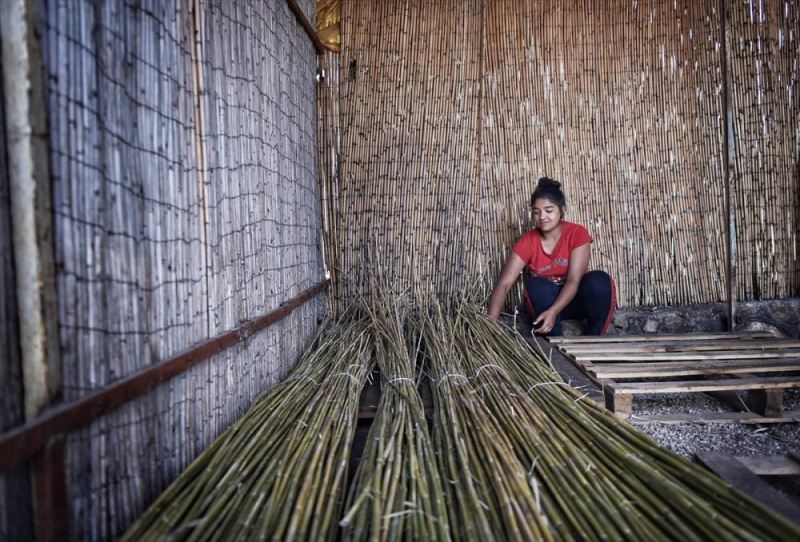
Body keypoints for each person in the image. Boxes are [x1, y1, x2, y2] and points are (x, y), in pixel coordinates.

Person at [487, 177, 616, 336]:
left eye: (549, 210)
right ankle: (555, 344)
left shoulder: (577, 233)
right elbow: (503, 285)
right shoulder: (527, 242)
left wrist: (554, 311)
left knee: (599, 281)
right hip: (546, 304)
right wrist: (489, 328)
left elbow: (573, 280)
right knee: (536, 286)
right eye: (536, 212)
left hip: (575, 301)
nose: (542, 217)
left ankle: (594, 339)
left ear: (562, 210)